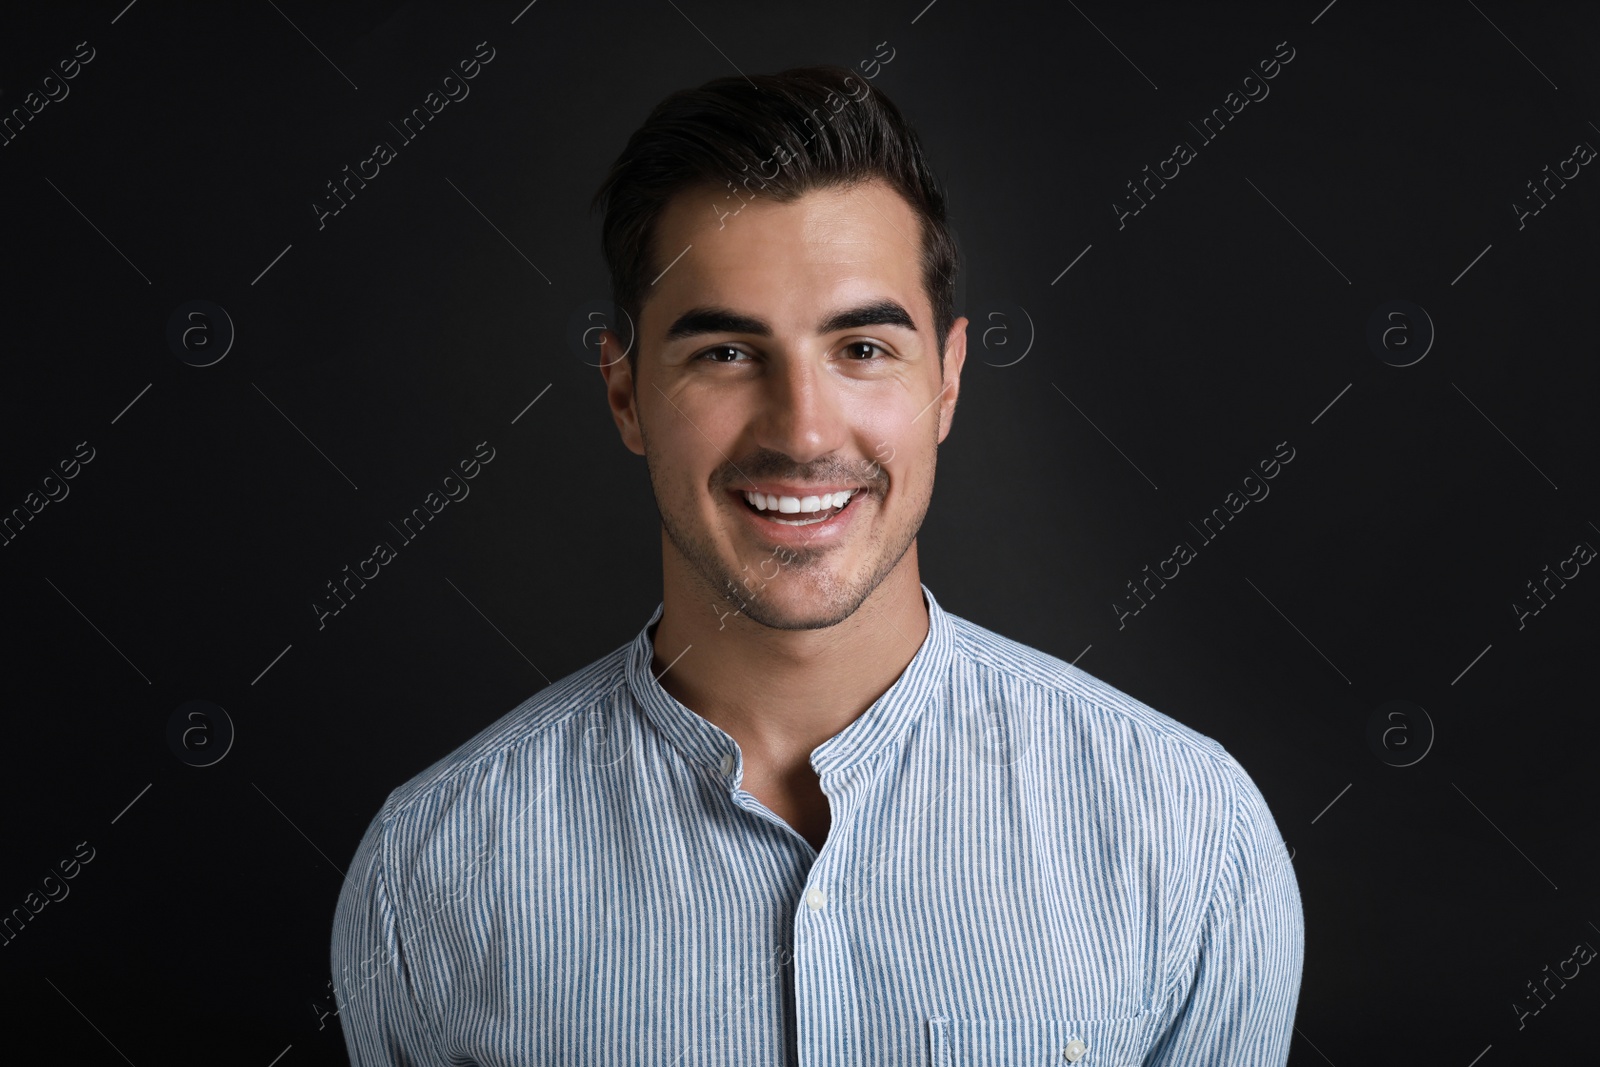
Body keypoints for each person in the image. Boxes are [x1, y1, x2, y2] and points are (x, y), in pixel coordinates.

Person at [330, 63, 1304, 1065]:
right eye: (724, 353)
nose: (800, 431)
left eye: (864, 348)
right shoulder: (431, 866)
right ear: (623, 394)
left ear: (947, 380)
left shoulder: (1185, 829)